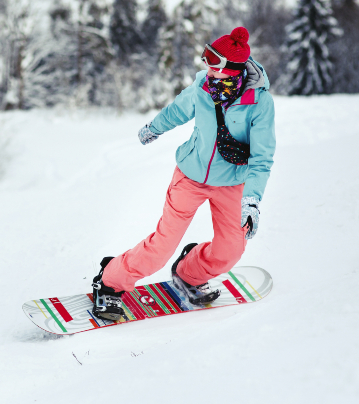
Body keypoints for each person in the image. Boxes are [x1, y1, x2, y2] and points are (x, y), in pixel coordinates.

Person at [91, 27, 276, 322]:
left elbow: (262, 157)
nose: (207, 70)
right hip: (190, 177)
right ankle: (109, 281)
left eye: (213, 66)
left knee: (230, 251)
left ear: (232, 69)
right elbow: (176, 110)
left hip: (232, 183)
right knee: (160, 249)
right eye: (206, 62)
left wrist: (251, 200)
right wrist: (154, 127)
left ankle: (190, 272)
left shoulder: (259, 104)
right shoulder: (203, 88)